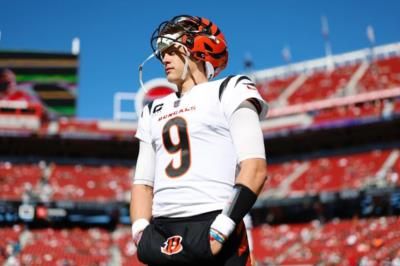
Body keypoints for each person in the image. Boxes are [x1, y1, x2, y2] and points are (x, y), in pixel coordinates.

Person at [130, 15, 268, 266]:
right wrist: (140, 232)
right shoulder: (152, 110)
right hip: (162, 231)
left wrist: (223, 226)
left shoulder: (231, 88)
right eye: (162, 52)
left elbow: (255, 167)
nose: (164, 58)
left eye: (172, 49)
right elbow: (142, 183)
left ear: (199, 49)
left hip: (214, 219)